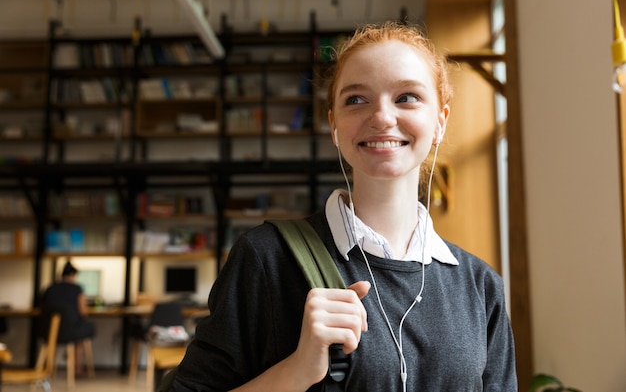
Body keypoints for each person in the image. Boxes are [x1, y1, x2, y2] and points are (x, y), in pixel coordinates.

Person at [172, 21, 517, 391]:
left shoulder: (481, 287)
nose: (382, 117)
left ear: (440, 122)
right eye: (356, 99)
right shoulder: (266, 259)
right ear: (334, 125)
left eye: (407, 97)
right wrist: (297, 370)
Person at [41, 261, 95, 375]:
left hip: (49, 331)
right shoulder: (77, 289)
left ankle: (49, 368)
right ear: (73, 275)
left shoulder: (50, 288)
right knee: (81, 334)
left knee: (56, 336)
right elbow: (83, 311)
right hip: (70, 331)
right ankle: (77, 368)